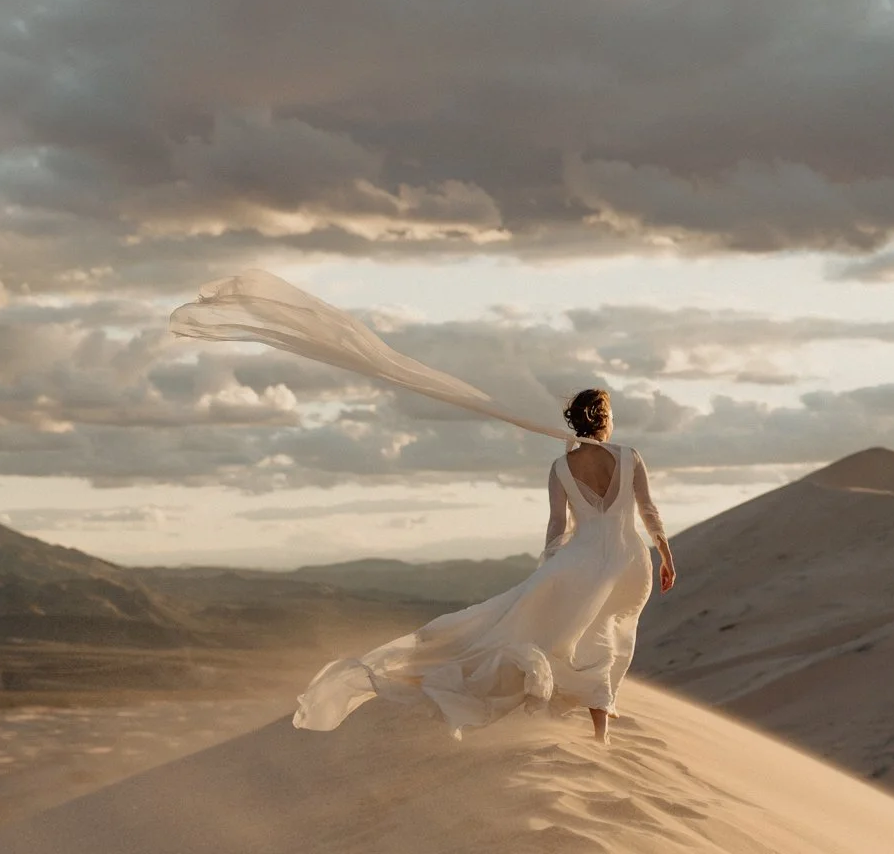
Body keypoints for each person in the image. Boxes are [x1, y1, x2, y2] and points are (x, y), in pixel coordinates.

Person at [167, 272, 677, 744]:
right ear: (604, 420)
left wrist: (548, 571)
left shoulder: (561, 467)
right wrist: (666, 556)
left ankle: (581, 717)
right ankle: (599, 727)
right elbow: (648, 511)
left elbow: (556, 527)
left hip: (579, 563)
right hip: (629, 561)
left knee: (569, 635)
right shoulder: (629, 456)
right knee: (608, 633)